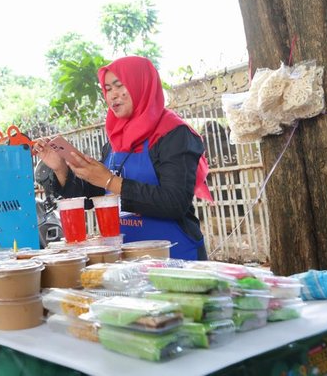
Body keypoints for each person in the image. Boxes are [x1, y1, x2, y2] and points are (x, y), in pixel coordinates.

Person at [34, 56, 213, 260]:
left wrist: (110, 180)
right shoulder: (115, 139)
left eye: (119, 86)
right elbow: (92, 196)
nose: (113, 96)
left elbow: (174, 202)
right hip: (127, 259)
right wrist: (61, 169)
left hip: (175, 256)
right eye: (108, 89)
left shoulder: (174, 134)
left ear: (141, 85)